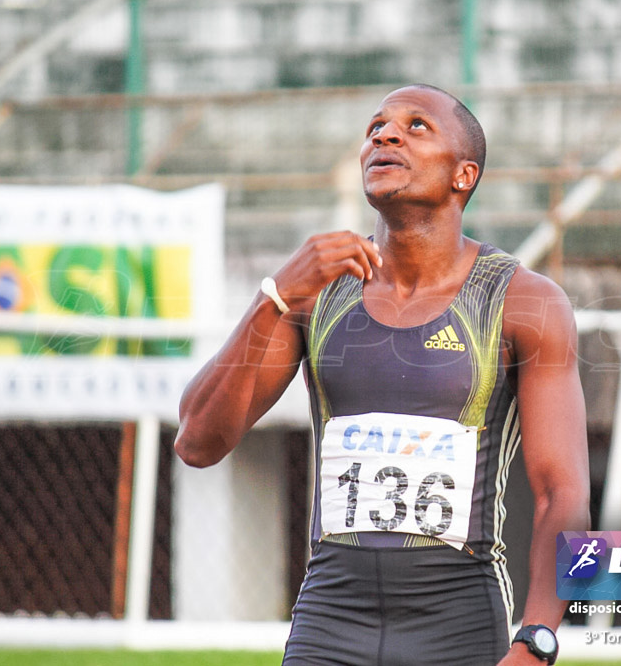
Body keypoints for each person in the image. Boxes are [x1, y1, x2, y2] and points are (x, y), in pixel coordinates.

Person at [175, 84, 590, 665]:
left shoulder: (523, 301)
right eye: (376, 126)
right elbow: (197, 442)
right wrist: (273, 296)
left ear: (463, 175)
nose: (385, 135)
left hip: (459, 624)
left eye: (416, 126)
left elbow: (561, 493)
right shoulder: (316, 292)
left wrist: (537, 640)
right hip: (329, 621)